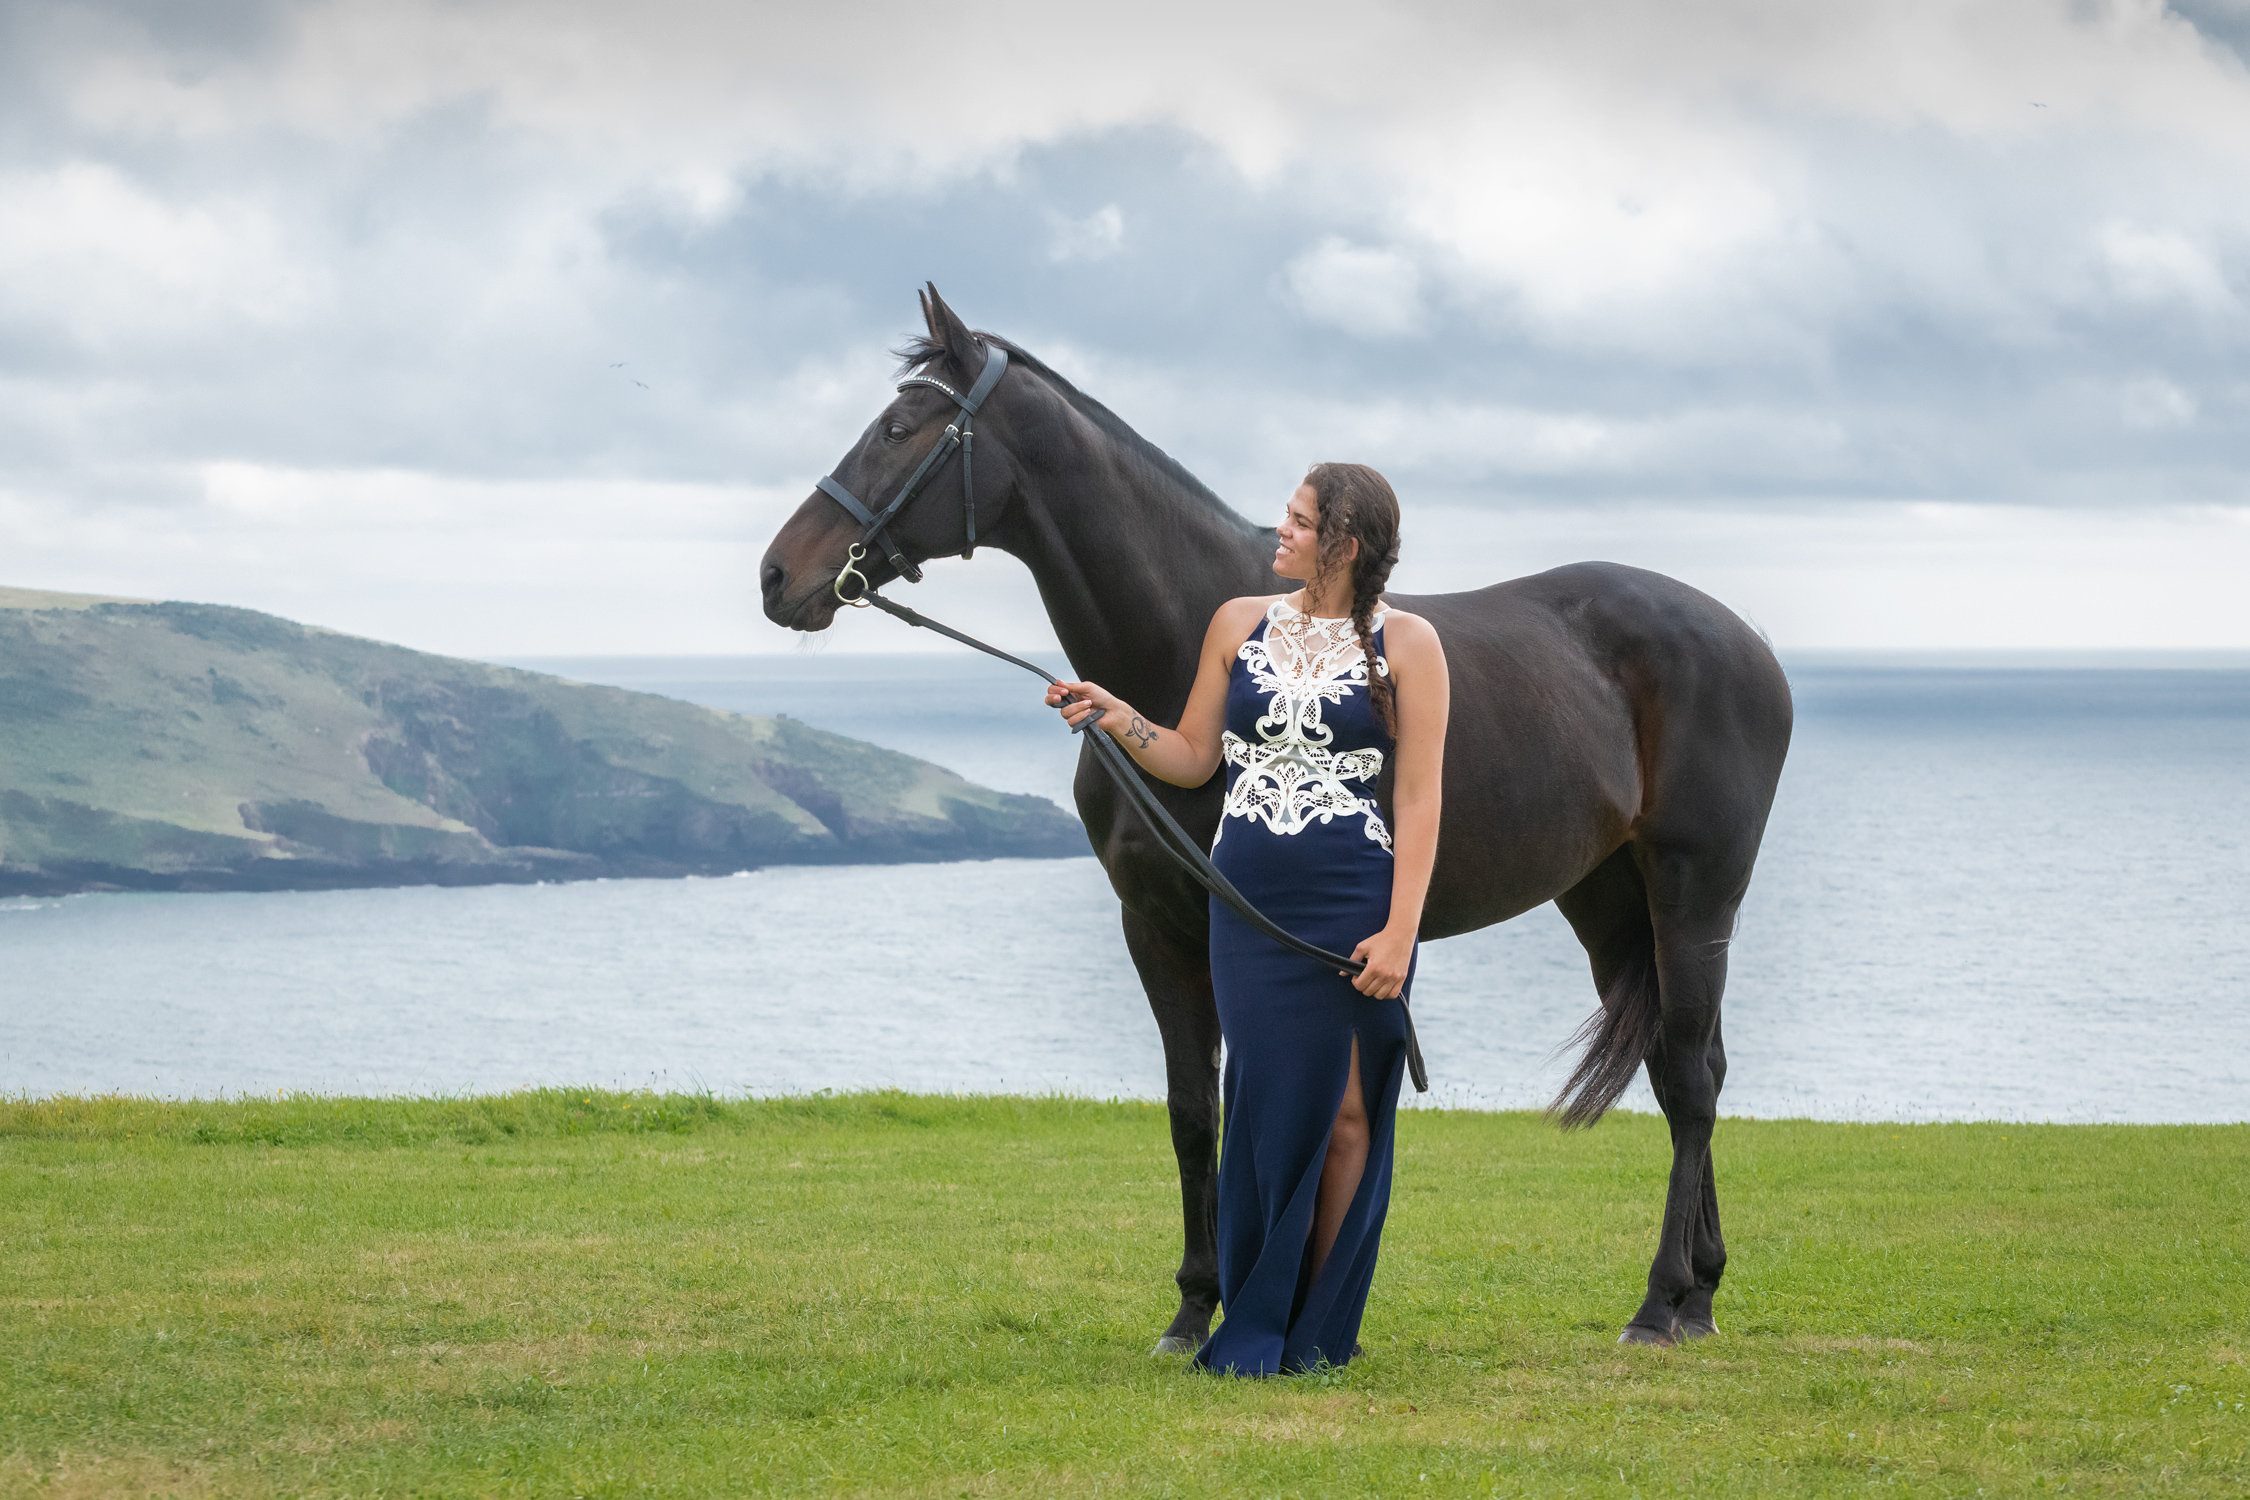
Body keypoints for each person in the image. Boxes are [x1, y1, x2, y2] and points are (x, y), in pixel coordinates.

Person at [1046, 462, 1449, 1375]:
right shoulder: (1238, 623)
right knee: (1267, 1109)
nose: (1281, 531)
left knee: (1349, 1114)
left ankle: (1317, 1331)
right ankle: (1260, 1316)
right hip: (1248, 902)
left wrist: (1400, 932)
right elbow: (1192, 759)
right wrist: (1113, 716)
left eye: (1299, 522)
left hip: (1355, 899)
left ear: (1343, 544)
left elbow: (1421, 798)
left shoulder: (1412, 644)